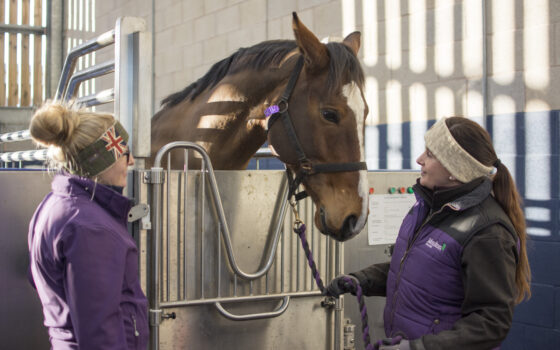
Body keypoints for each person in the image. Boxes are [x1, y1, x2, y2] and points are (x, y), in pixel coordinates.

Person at [327, 116, 531, 350]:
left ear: (455, 170)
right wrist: (361, 280)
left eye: (430, 155)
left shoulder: (487, 232)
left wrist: (419, 347)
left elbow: (491, 324)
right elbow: (415, 272)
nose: (419, 160)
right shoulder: (427, 207)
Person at [27, 101, 149, 349]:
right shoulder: (91, 228)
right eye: (125, 153)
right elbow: (99, 333)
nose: (132, 161)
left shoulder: (55, 205)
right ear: (101, 161)